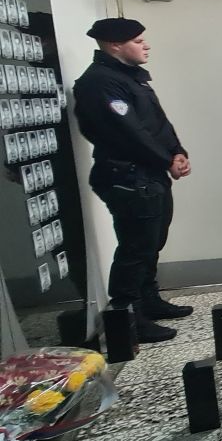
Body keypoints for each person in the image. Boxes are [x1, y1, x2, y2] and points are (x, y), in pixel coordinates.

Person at [73, 18, 192, 342]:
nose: (146, 46)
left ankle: (148, 301)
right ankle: (128, 317)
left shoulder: (131, 78)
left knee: (152, 242)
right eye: (138, 41)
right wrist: (166, 160)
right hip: (127, 175)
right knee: (135, 249)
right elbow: (129, 133)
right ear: (115, 45)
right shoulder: (99, 83)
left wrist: (177, 151)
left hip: (149, 173)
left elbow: (157, 123)